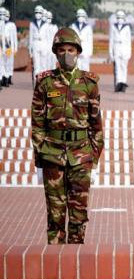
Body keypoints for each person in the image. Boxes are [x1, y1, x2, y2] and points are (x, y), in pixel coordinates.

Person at [31, 28, 104, 244]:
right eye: (61, 50)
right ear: (55, 52)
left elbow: (96, 125)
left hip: (81, 155)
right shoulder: (45, 83)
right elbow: (37, 123)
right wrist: (41, 154)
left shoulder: (89, 83)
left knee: (78, 215)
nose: (66, 54)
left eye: (70, 49)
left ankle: (75, 261)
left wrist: (94, 158)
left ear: (78, 51)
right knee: (55, 214)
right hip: (52, 154)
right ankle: (55, 261)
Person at [109, 10, 131, 93]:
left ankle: (123, 84)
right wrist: (110, 52)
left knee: (124, 67)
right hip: (116, 47)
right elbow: (111, 40)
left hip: (124, 48)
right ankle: (118, 84)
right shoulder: (113, 26)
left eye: (121, 18)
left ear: (124, 18)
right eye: (118, 18)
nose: (120, 19)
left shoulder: (127, 27)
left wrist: (129, 53)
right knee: (117, 68)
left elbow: (129, 41)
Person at [29, 5, 49, 85]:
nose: (38, 14)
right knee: (36, 65)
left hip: (43, 44)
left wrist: (48, 49)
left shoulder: (46, 24)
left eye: (39, 13)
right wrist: (30, 50)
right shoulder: (32, 23)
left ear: (41, 13)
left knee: (43, 65)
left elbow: (48, 38)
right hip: (35, 44)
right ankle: (37, 84)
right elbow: (30, 37)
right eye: (36, 12)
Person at [2, 9, 17, 87]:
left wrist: (15, 47)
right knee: (3, 63)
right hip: (2, 46)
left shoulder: (12, 25)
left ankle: (8, 78)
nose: (6, 17)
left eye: (7, 16)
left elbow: (14, 37)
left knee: (9, 63)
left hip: (9, 47)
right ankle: (3, 78)